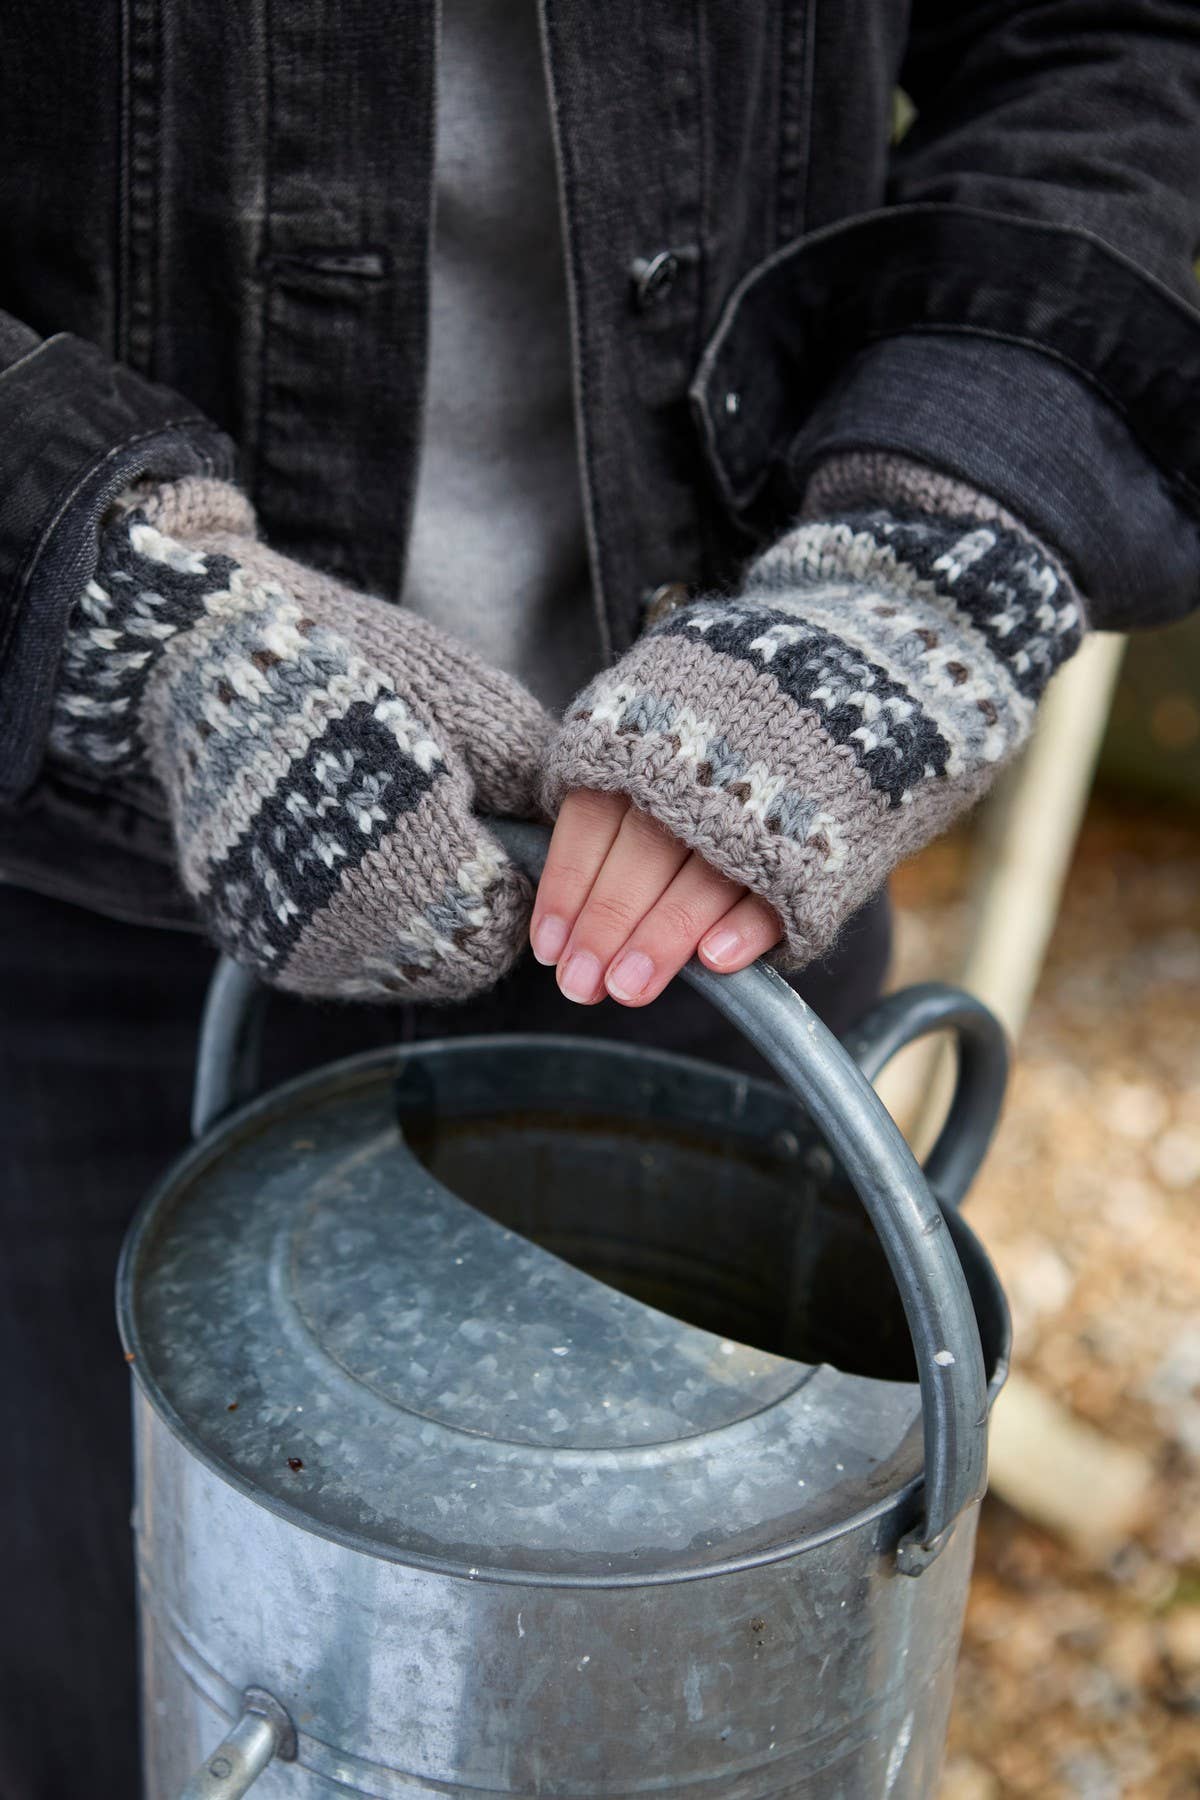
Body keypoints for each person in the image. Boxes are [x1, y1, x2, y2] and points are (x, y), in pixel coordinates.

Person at [3, 1, 1200, 1791]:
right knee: (111, 1683)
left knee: (692, 1706)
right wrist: (109, 604)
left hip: (735, 850)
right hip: (76, 911)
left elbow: (1128, 38)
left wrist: (941, 543)